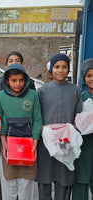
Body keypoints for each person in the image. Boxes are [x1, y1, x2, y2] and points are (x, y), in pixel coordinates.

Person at [36, 53, 82, 200]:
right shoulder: (42, 91)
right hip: (46, 143)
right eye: (57, 67)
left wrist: (74, 128)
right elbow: (37, 117)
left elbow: (79, 117)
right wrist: (43, 129)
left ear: (68, 69)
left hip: (66, 142)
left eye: (64, 67)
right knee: (44, 179)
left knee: (64, 179)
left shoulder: (75, 91)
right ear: (51, 70)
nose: (60, 70)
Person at [0, 63, 42, 200]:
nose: (18, 84)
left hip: (28, 146)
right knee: (8, 184)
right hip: (8, 146)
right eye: (13, 80)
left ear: (26, 79)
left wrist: (35, 142)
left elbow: (37, 119)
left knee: (26, 185)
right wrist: (3, 142)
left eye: (21, 80)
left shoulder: (33, 95)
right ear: (7, 81)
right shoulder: (0, 96)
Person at [72, 58, 93, 200]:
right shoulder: (80, 98)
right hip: (84, 148)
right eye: (89, 75)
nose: (92, 79)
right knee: (81, 181)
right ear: (84, 78)